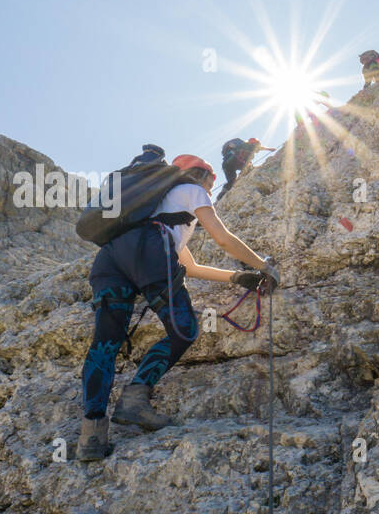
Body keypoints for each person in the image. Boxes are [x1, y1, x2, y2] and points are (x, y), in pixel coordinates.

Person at [77, 154, 279, 461]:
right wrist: (264, 265)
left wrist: (239, 277)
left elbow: (191, 267)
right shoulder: (191, 189)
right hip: (150, 254)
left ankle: (90, 436)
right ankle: (134, 400)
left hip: (110, 260)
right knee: (183, 330)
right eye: (211, 179)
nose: (212, 188)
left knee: (105, 343)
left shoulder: (152, 208)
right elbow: (222, 239)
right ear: (201, 174)